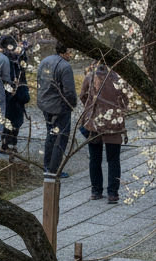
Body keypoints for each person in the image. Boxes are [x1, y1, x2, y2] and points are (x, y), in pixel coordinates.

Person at [79, 60, 129, 203]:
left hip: (94, 122)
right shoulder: (119, 78)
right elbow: (125, 101)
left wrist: (92, 108)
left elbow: (83, 96)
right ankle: (113, 193)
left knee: (95, 159)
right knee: (113, 160)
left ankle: (96, 190)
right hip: (114, 123)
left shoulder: (90, 76)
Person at [36, 42, 77, 176]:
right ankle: (53, 169)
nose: (72, 55)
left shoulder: (45, 61)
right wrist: (72, 105)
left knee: (51, 135)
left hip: (44, 103)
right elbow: (69, 92)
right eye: (70, 51)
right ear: (65, 51)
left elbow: (39, 81)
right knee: (61, 137)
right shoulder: (65, 67)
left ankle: (47, 165)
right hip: (59, 107)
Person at [0, 36, 29, 152]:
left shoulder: (12, 58)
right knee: (14, 119)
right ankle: (9, 142)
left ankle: (7, 141)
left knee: (11, 118)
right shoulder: (10, 59)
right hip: (13, 93)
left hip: (13, 93)